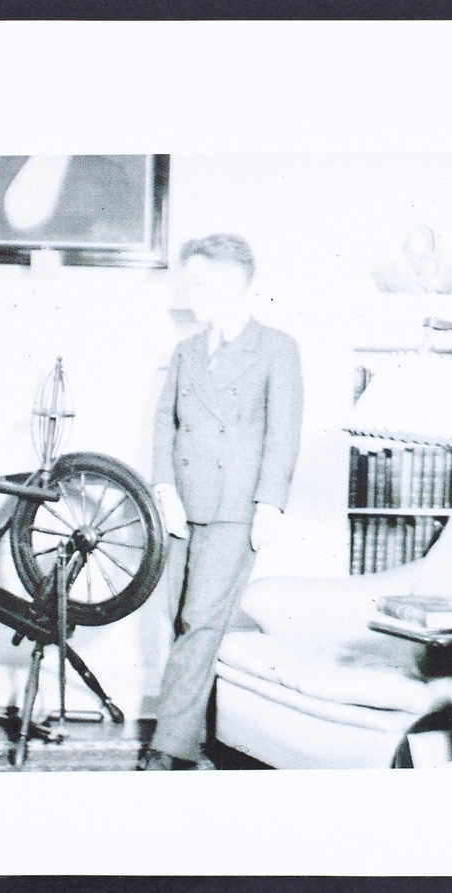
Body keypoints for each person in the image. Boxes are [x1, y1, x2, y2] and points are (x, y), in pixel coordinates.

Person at [140, 233, 304, 770]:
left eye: (198, 282)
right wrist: (163, 487)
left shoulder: (276, 347)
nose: (188, 292)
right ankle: (226, 732)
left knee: (200, 621)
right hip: (181, 507)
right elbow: (164, 425)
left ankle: (169, 747)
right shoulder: (185, 351)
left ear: (234, 283)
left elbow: (284, 432)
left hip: (236, 509)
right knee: (188, 618)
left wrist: (270, 504)